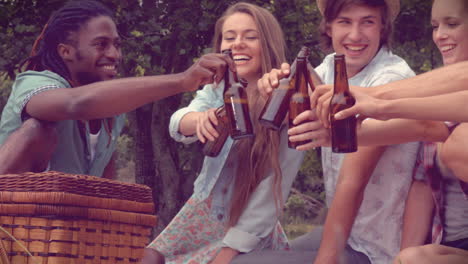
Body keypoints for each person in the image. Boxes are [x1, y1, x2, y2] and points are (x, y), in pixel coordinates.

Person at [257, 0, 422, 264]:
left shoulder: (392, 78)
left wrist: (327, 259)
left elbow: (352, 182)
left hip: (377, 248)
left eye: (367, 21)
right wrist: (272, 86)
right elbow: (297, 103)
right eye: (345, 21)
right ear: (329, 27)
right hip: (349, 234)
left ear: (382, 27)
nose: (355, 35)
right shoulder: (332, 67)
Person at [142, 3, 305, 264]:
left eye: (251, 37)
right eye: (230, 38)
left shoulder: (286, 101)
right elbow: (177, 123)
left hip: (246, 228)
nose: (238, 44)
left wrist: (230, 251)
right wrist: (197, 120)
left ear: (268, 44)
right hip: (201, 215)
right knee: (147, 258)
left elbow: (272, 192)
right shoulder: (218, 90)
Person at [0, 0, 234, 178]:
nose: (114, 54)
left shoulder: (112, 112)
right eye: (101, 44)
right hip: (16, 227)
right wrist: (183, 80)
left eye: (116, 45)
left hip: (64, 233)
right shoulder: (34, 83)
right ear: (66, 52)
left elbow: (104, 184)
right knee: (36, 129)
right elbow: (77, 104)